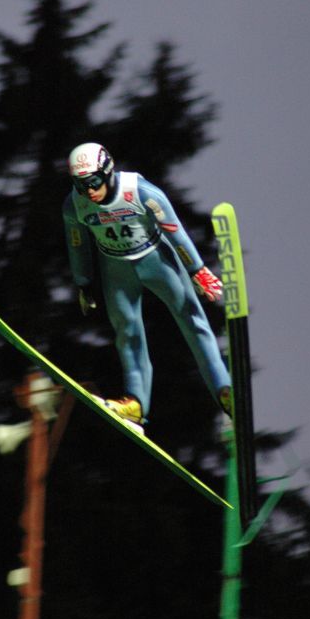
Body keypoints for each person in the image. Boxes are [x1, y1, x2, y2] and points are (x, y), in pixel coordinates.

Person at [62, 141, 231, 428]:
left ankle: (225, 391)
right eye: (80, 185)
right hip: (116, 269)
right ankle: (136, 404)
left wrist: (197, 270)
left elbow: (175, 232)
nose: (89, 191)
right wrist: (84, 283)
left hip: (157, 260)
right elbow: (77, 245)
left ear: (108, 172)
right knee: (127, 333)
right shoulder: (73, 205)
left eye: (93, 181)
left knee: (193, 322)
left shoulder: (142, 192)